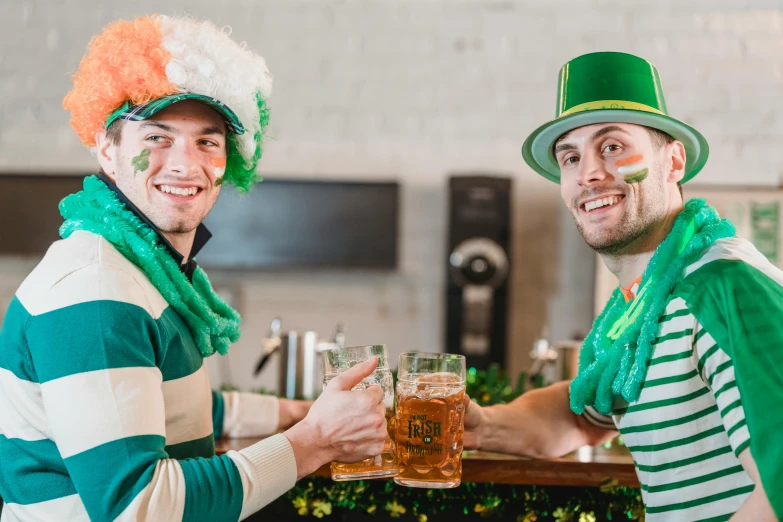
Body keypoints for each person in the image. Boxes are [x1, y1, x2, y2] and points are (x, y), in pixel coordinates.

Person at [0, 15, 388, 522]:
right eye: (158, 138)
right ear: (108, 151)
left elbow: (171, 405)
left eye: (207, 141)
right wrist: (313, 441)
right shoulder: (94, 293)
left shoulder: (141, 266)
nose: (186, 164)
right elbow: (137, 506)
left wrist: (299, 413)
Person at [464, 52, 781, 520]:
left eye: (611, 147)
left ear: (673, 161)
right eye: (570, 157)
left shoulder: (721, 283)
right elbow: (582, 418)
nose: (588, 173)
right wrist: (481, 425)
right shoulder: (641, 303)